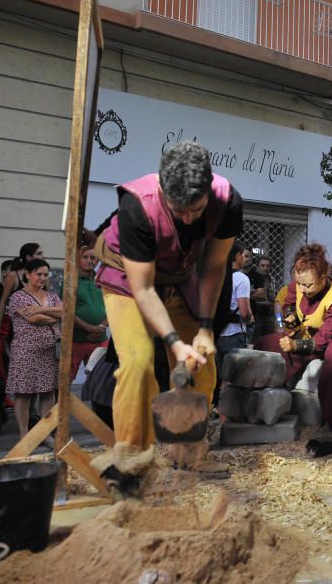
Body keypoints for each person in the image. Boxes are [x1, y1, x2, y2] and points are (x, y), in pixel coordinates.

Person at [93, 141, 242, 456]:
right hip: (128, 276)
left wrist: (204, 328)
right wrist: (175, 342)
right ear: (162, 190)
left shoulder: (227, 202)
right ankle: (132, 459)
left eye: (197, 210)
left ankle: (190, 454)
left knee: (202, 362)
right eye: (179, 211)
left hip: (178, 275)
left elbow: (214, 266)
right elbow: (144, 289)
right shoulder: (137, 207)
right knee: (137, 363)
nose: (188, 220)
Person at [259, 243, 332, 428]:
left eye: (308, 285)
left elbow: (325, 337)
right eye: (299, 283)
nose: (302, 289)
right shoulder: (299, 285)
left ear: (324, 278)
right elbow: (289, 304)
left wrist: (295, 346)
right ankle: (256, 394)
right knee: (267, 342)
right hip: (308, 336)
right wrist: (290, 317)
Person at [6, 258, 62, 438]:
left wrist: (39, 310)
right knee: (24, 394)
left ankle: (45, 433)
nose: (43, 278)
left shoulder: (52, 295)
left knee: (48, 392)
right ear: (28, 275)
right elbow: (33, 320)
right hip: (26, 352)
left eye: (46, 274)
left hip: (49, 351)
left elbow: (66, 311)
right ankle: (24, 434)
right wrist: (52, 314)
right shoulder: (18, 296)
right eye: (39, 274)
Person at [71, 245, 108, 382]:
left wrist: (101, 328)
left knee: (99, 380)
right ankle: (63, 404)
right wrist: (89, 328)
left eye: (93, 258)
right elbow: (66, 311)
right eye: (85, 257)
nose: (89, 261)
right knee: (64, 381)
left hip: (100, 339)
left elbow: (111, 307)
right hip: (76, 340)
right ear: (78, 259)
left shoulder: (102, 280)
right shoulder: (71, 281)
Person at [216, 241, 252, 360]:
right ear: (236, 256)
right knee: (235, 375)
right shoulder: (241, 279)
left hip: (215, 332)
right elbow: (245, 312)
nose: (244, 259)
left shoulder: (217, 275)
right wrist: (249, 318)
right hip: (234, 334)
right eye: (243, 255)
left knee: (218, 374)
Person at [247, 256, 274, 339]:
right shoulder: (251, 278)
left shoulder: (272, 280)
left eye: (267, 266)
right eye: (262, 266)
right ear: (257, 267)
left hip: (270, 314)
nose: (265, 268)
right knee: (254, 340)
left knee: (268, 340)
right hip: (257, 313)